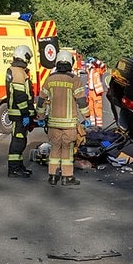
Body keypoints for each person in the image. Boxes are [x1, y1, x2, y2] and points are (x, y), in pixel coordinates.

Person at [38, 50, 90, 185]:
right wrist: (87, 116)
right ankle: (67, 178)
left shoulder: (50, 79)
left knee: (55, 149)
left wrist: (41, 116)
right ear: (70, 63)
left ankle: (53, 176)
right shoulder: (74, 80)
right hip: (69, 124)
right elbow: (81, 101)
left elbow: (41, 100)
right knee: (67, 151)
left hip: (53, 124)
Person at [6, 45, 36, 178]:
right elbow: (20, 95)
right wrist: (25, 113)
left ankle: (18, 166)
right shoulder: (18, 72)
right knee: (18, 141)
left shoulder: (17, 70)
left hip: (19, 113)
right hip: (19, 113)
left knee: (21, 140)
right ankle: (14, 169)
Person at [85, 58, 106, 130]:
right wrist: (86, 89)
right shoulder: (90, 70)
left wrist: (96, 61)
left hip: (96, 92)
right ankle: (92, 124)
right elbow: (89, 80)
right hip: (90, 91)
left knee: (97, 108)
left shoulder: (98, 70)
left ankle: (99, 125)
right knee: (90, 108)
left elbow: (103, 66)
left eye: (92, 62)